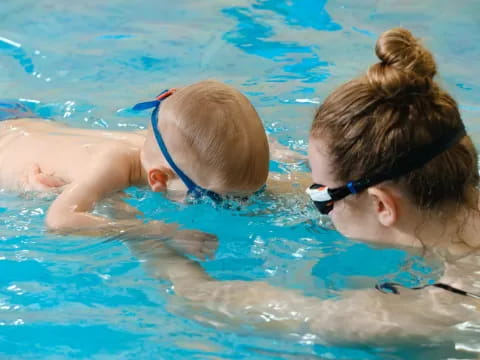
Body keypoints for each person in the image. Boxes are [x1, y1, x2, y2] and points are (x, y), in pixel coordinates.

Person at [131, 28, 480, 346]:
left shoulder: (416, 317)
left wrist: (144, 236)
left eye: (322, 196)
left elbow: (198, 297)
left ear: (382, 206)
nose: (315, 201)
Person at [0, 80, 270, 242]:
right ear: (159, 179)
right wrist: (157, 231)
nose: (235, 207)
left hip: (24, 120)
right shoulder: (111, 163)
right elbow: (59, 220)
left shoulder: (159, 142)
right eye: (212, 198)